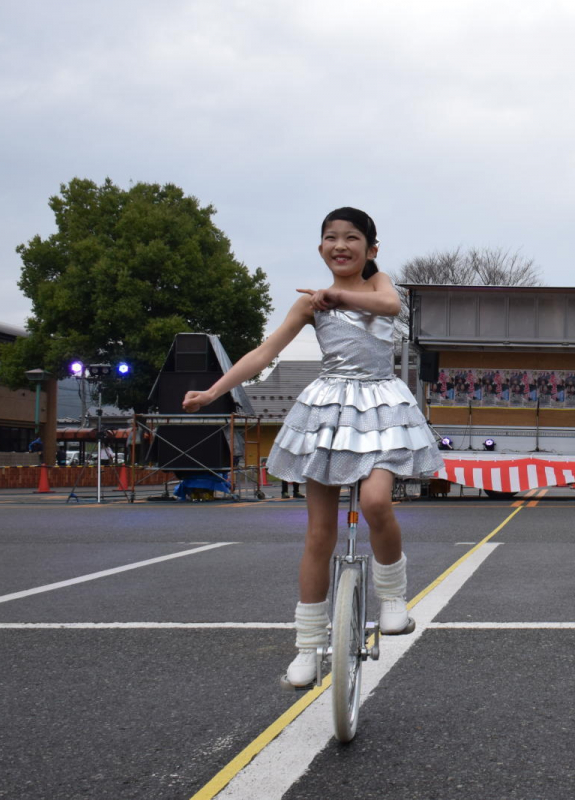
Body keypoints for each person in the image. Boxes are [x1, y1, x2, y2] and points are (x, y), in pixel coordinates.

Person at [182, 207, 445, 687]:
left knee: (376, 501)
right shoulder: (309, 306)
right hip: (328, 410)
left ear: (371, 248)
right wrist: (213, 392)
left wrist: (336, 296)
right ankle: (307, 646)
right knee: (319, 535)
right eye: (330, 237)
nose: (340, 245)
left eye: (351, 237)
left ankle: (392, 598)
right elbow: (264, 353)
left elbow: (389, 306)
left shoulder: (378, 283)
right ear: (321, 246)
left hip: (380, 405)